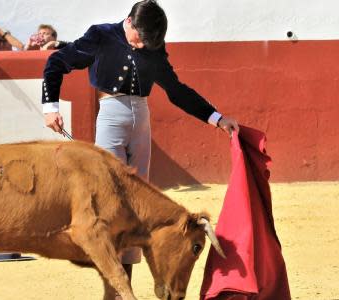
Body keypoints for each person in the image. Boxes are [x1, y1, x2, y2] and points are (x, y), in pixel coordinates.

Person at [41, 0, 240, 293]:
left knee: (136, 205)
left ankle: (126, 287)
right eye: (141, 39)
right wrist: (50, 106)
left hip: (141, 120)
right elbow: (56, 62)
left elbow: (176, 90)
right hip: (110, 114)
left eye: (150, 43)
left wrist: (217, 118)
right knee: (110, 202)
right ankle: (115, 289)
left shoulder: (153, 46)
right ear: (130, 22)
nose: (145, 46)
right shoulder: (101, 35)